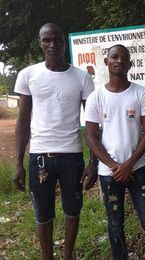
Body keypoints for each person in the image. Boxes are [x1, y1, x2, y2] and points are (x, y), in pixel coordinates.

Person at [13, 23, 97, 260]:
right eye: (46, 40)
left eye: (57, 40)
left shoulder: (81, 77)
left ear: (64, 42)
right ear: (40, 42)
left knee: (73, 210)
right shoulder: (28, 75)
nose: (52, 45)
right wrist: (19, 163)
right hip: (40, 155)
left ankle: (68, 256)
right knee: (43, 213)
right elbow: (22, 122)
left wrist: (93, 162)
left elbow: (92, 124)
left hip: (72, 155)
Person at [84, 44, 145, 260]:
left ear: (130, 63)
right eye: (114, 57)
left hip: (137, 169)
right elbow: (91, 137)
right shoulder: (96, 97)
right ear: (106, 61)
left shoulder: (140, 93)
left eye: (124, 58)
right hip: (108, 173)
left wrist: (129, 164)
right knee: (115, 224)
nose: (119, 61)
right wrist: (114, 166)